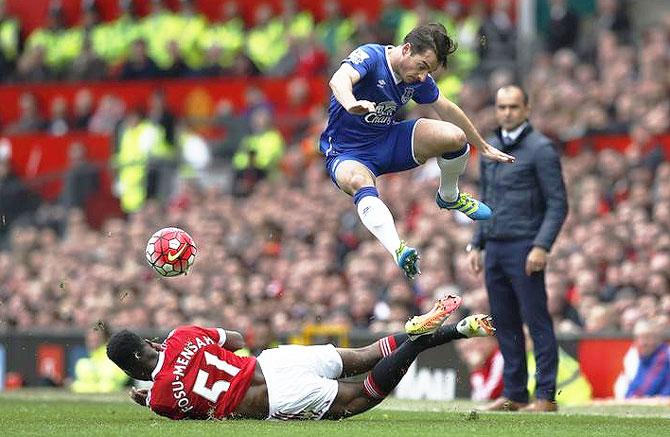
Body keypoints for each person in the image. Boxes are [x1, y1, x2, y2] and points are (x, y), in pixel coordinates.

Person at [320, 23, 514, 279]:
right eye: (422, 66)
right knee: (359, 182)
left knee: (456, 138)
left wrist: (483, 145)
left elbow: (447, 108)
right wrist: (351, 103)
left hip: (387, 139)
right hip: (347, 152)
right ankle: (398, 249)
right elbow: (339, 79)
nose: (423, 76)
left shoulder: (418, 78)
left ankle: (449, 195)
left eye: (429, 71)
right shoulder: (371, 56)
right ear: (407, 49)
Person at [106, 296, 495, 420]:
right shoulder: (181, 336)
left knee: (362, 397)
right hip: (271, 363)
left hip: (271, 399)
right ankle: (446, 329)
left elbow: (185, 405)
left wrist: (151, 394)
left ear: (129, 369)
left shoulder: (159, 401)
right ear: (149, 343)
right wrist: (191, 350)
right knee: (364, 355)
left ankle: (428, 339)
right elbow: (238, 339)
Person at [466, 85, 568, 412]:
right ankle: (514, 394)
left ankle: (546, 396)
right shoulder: (490, 146)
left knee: (536, 321)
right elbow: (486, 200)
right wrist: (477, 242)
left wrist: (542, 246)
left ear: (527, 109)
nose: (506, 112)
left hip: (525, 245)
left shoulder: (542, 149)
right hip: (494, 245)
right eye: (501, 107)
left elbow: (557, 204)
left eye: (513, 106)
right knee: (505, 321)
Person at [614, 319, 670, 399]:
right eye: (639, 337)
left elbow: (648, 388)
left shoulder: (665, 355)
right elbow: (633, 386)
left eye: (648, 337)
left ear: (658, 338)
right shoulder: (637, 357)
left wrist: (631, 398)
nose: (643, 342)